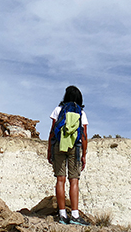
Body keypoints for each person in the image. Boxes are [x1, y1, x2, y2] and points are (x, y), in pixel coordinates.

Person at [47, 85, 89, 226]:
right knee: (74, 180)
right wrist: (84, 155)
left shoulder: (58, 110)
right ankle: (75, 216)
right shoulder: (81, 113)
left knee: (60, 180)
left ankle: (62, 214)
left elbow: (52, 131)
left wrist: (49, 150)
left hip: (59, 145)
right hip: (75, 147)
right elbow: (84, 136)